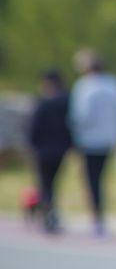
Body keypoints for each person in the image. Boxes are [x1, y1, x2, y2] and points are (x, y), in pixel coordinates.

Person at [69, 49, 116, 236]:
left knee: (91, 180)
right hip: (109, 139)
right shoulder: (114, 85)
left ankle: (96, 217)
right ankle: (99, 216)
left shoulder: (84, 87)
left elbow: (81, 116)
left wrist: (74, 138)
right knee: (100, 179)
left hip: (88, 141)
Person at [27, 69, 72, 234]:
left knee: (44, 184)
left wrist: (30, 145)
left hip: (43, 149)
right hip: (60, 149)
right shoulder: (67, 102)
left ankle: (47, 215)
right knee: (53, 184)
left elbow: (34, 128)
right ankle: (51, 214)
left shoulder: (43, 103)